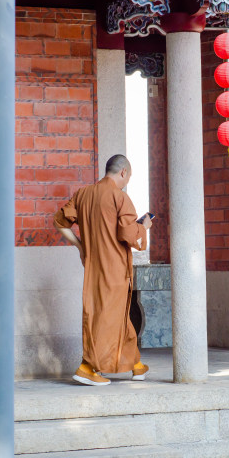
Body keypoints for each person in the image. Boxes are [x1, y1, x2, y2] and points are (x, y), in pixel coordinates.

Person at [53, 154, 153, 386]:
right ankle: (87, 367)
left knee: (115, 316)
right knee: (106, 318)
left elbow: (60, 221)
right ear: (124, 173)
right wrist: (144, 227)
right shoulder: (120, 198)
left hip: (93, 266)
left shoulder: (83, 194)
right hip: (114, 269)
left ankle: (136, 365)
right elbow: (128, 235)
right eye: (128, 176)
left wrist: (80, 247)